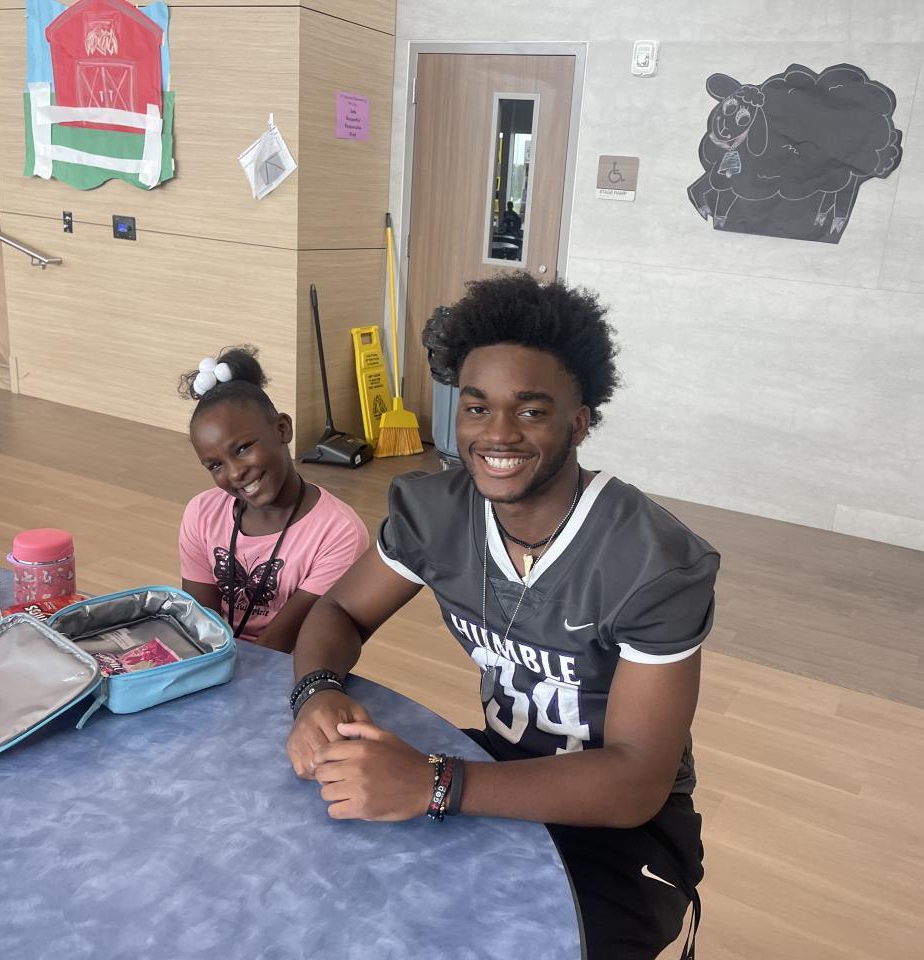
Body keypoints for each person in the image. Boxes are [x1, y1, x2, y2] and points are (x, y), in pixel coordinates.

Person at [285, 276, 718, 959]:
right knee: (326, 881)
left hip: (620, 825)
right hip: (493, 763)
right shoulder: (435, 512)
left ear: (580, 422)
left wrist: (434, 783)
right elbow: (339, 609)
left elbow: (636, 779)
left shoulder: (652, 562)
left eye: (532, 410)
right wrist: (317, 690)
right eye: (477, 407)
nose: (497, 434)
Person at [177, 346, 368, 652]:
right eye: (215, 465)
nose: (235, 472)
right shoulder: (201, 513)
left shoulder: (339, 532)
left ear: (282, 428)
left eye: (242, 449)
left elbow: (280, 643)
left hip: (288, 665)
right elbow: (200, 627)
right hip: (217, 659)